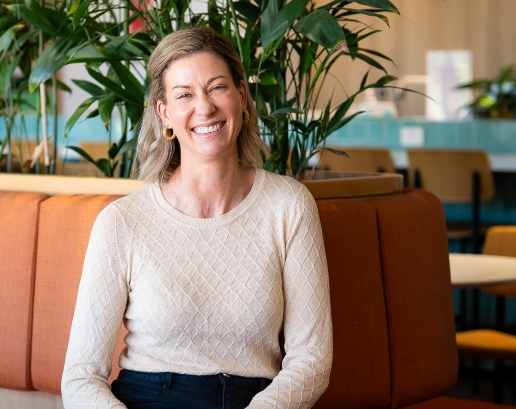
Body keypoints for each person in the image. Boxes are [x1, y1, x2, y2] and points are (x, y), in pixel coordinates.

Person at [61, 26, 332, 409]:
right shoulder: (121, 222)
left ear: (242, 97)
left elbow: (312, 360)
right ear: (165, 114)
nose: (203, 107)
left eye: (217, 87)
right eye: (184, 94)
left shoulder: (288, 206)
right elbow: (80, 376)